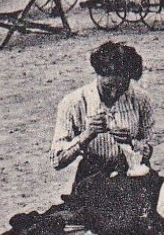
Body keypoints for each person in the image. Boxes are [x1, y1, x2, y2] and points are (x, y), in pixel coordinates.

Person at [51, 41, 154, 191]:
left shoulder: (141, 99)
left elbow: (148, 149)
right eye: (107, 87)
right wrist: (85, 137)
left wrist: (132, 144)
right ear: (98, 75)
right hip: (92, 178)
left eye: (121, 88)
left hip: (133, 175)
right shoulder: (74, 103)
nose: (113, 93)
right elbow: (56, 161)